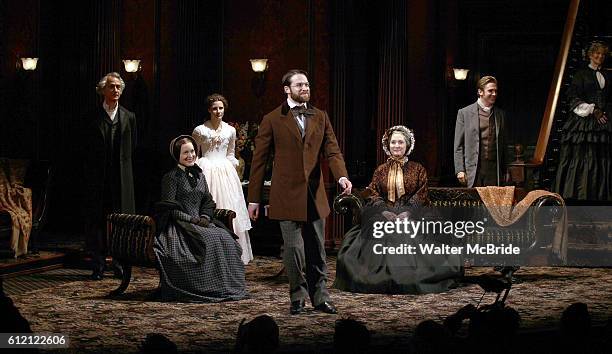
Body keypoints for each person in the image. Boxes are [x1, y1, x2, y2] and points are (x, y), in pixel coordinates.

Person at [247, 69, 352, 315]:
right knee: (294, 249)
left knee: (316, 247)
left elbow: (333, 151)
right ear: (287, 89)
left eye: (307, 84)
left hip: (314, 193)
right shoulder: (272, 119)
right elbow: (259, 161)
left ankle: (320, 297)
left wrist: (342, 176)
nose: (305, 88)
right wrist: (253, 199)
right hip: (285, 194)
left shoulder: (320, 116)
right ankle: (297, 296)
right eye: (300, 85)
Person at [334, 125, 462, 294]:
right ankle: (376, 277)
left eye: (400, 142)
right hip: (385, 213)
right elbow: (373, 193)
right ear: (388, 145)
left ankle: (411, 277)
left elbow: (421, 193)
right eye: (393, 142)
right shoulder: (380, 170)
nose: (396, 146)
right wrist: (385, 211)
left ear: (407, 145)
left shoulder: (418, 169)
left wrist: (408, 212)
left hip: (412, 213)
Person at [153, 135, 247, 302]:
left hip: (201, 221)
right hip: (180, 225)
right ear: (177, 155)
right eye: (185, 153)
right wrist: (192, 220)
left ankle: (223, 286)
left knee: (225, 238)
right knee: (206, 240)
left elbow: (208, 200)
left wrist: (204, 216)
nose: (190, 156)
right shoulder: (171, 177)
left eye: (192, 151)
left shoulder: (200, 175)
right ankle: (202, 286)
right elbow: (169, 208)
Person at [82, 72, 136, 280]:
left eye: (118, 87)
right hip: (98, 178)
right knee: (96, 221)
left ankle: (120, 263)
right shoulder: (91, 117)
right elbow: (85, 149)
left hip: (122, 179)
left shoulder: (129, 117)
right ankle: (98, 265)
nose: (115, 91)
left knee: (121, 222)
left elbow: (133, 149)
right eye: (111, 87)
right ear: (102, 90)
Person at [193, 94, 253, 264]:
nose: (218, 111)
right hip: (207, 169)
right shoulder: (200, 130)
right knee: (208, 209)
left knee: (228, 208)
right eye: (214, 108)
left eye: (221, 108)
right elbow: (194, 153)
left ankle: (229, 254)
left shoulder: (230, 130)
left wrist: (231, 169)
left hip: (225, 173)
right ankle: (208, 253)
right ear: (209, 110)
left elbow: (231, 153)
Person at [553, 41, 611, 201]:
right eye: (597, 53)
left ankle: (599, 196)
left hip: (603, 123)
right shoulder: (581, 74)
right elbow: (572, 97)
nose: (600, 56)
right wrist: (593, 110)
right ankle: (580, 196)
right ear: (590, 55)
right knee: (585, 157)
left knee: (601, 159)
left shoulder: (606, 75)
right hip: (584, 123)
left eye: (602, 54)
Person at [454, 75, 507, 187]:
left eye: (496, 91)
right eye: (490, 91)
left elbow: (504, 146)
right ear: (480, 92)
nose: (494, 94)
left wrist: (505, 170)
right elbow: (458, 145)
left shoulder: (500, 115)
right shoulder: (464, 113)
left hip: (494, 173)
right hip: (473, 171)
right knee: (474, 204)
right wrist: (460, 170)